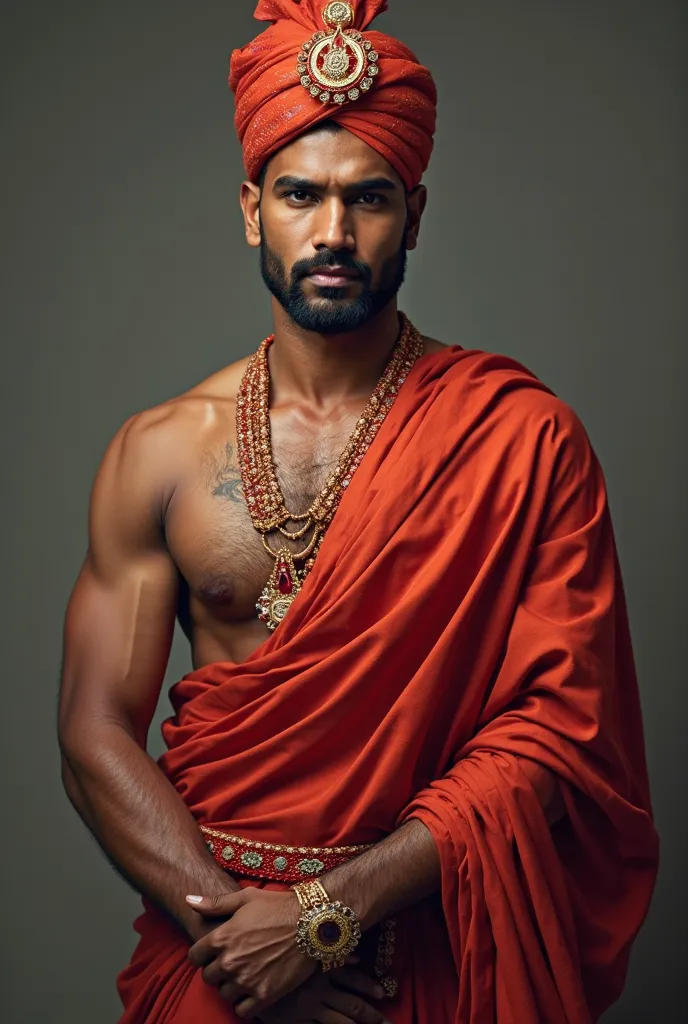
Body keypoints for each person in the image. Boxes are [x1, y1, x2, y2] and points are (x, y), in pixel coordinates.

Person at [58, 2, 659, 1022]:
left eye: (367, 199)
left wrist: (323, 916)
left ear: (413, 216)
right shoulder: (157, 451)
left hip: (432, 947)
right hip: (219, 954)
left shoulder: (522, 438)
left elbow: (559, 737)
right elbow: (92, 732)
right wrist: (241, 941)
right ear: (253, 210)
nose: (332, 231)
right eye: (300, 195)